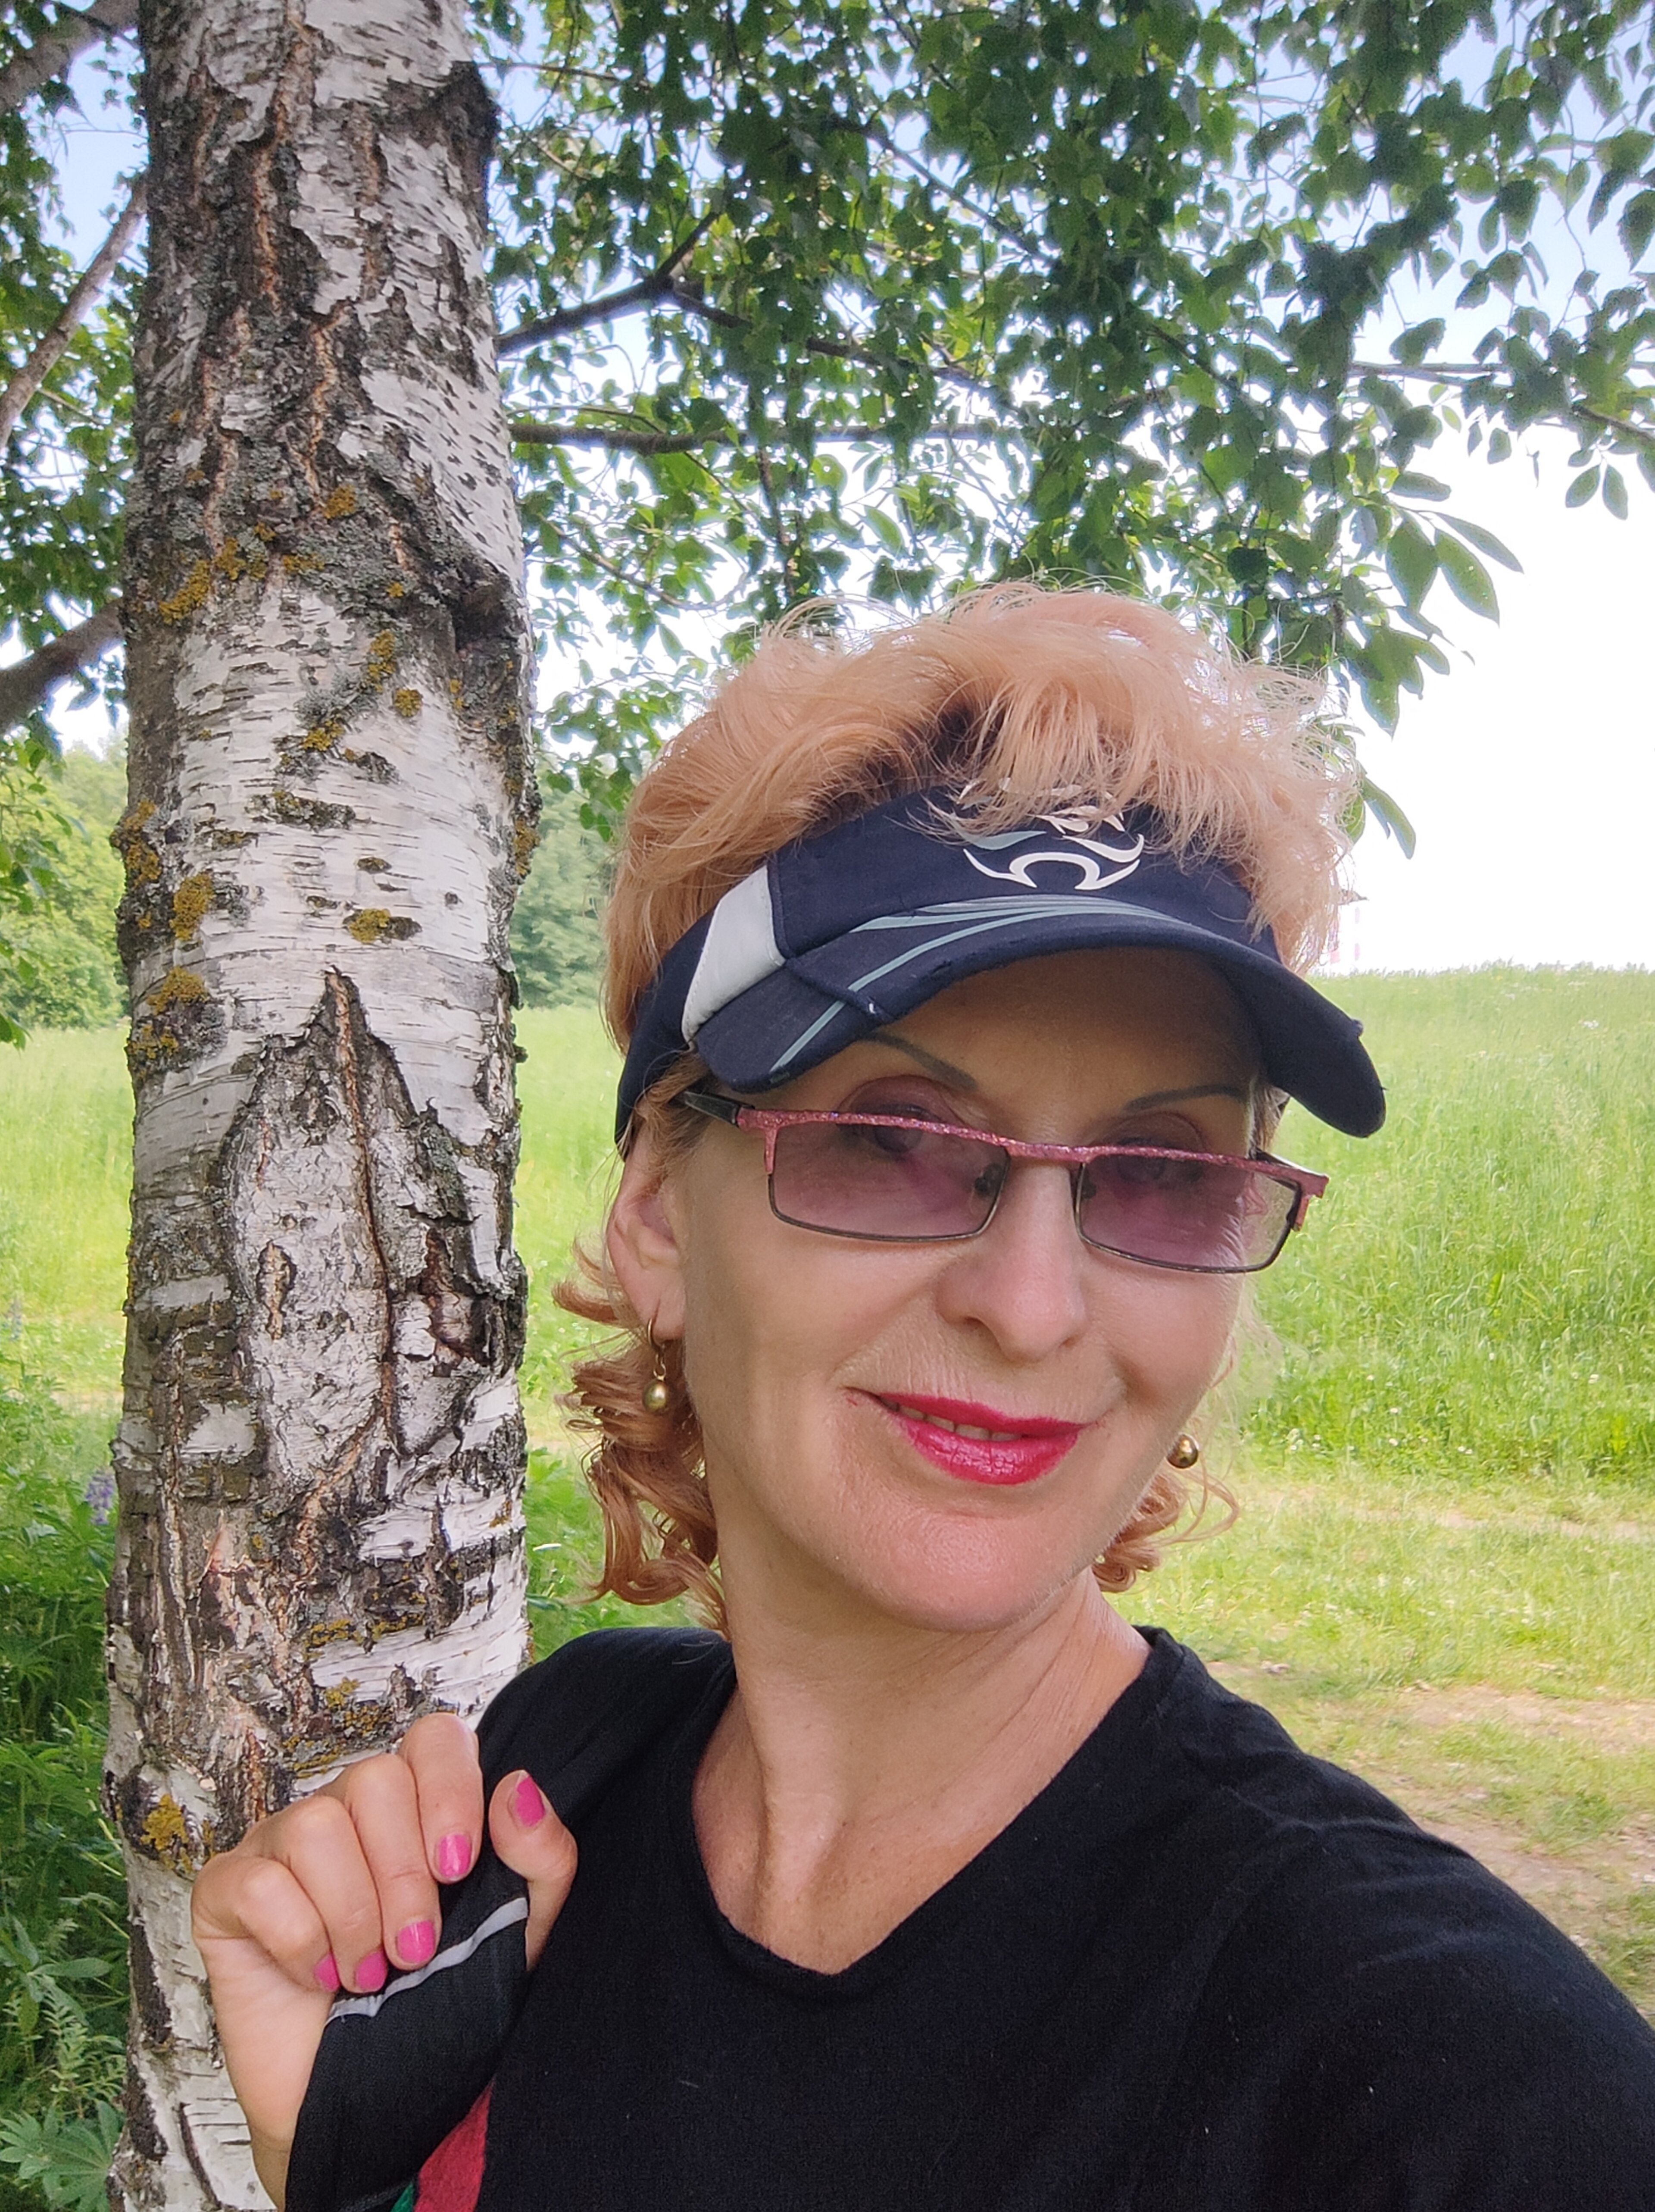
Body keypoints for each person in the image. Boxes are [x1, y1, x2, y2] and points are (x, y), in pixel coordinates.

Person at [192, 589, 1655, 2212]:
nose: (1031, 1306)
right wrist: (341, 2168)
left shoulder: (1465, 2097)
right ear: (659, 1211)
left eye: (1163, 1172)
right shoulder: (560, 1786)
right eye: (890, 1140)